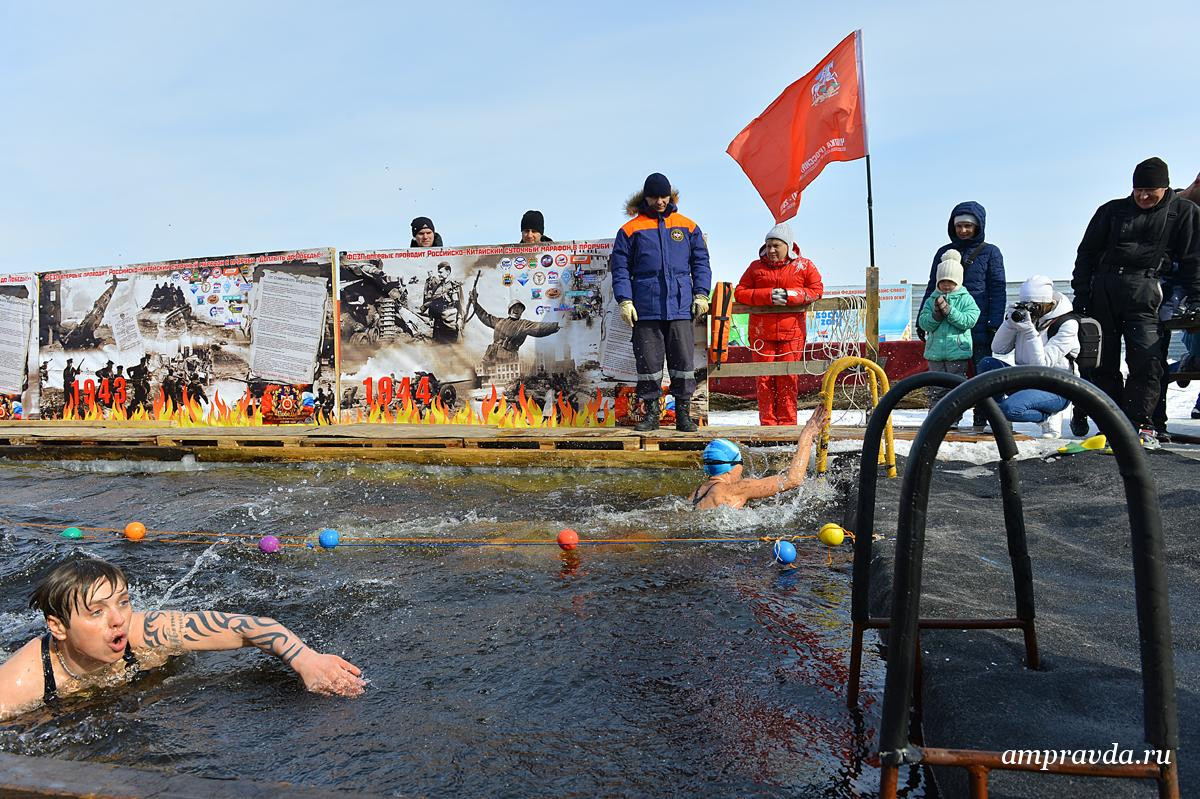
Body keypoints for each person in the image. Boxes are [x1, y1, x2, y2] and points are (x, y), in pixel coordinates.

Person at [0, 556, 364, 721]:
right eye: (96, 612)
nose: (118, 620)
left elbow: (247, 626)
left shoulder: (144, 632)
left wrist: (305, 658)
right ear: (58, 627)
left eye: (123, 602)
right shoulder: (21, 683)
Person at [1071, 157, 1200, 448]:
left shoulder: (1183, 212)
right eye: (1138, 190)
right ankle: (1114, 422)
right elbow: (1086, 254)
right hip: (1104, 289)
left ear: (1165, 188)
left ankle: (1142, 423)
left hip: (1147, 290)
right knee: (1102, 362)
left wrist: (1196, 298)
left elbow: (1193, 260)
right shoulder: (1111, 211)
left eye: (1149, 191)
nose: (1142, 197)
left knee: (1147, 361)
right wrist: (1082, 295)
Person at [610, 172, 712, 433]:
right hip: (646, 309)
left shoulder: (688, 226)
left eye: (664, 197)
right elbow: (620, 269)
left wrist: (701, 293)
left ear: (670, 196)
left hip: (680, 307)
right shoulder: (630, 230)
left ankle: (683, 416)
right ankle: (651, 415)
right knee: (648, 365)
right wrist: (625, 300)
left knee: (683, 364)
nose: (660, 202)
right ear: (646, 198)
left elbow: (701, 263)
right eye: (654, 197)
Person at [919, 202, 1006, 427]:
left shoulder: (991, 252)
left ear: (978, 226)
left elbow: (998, 289)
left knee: (982, 374)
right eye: (959, 226)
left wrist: (995, 322)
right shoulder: (943, 252)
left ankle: (983, 417)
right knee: (947, 377)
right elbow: (932, 287)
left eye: (968, 226)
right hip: (947, 328)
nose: (963, 230)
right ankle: (946, 417)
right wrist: (921, 319)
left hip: (979, 323)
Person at [734, 222, 824, 425]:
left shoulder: (805, 266)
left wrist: (790, 296)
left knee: (788, 377)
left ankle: (788, 424)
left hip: (792, 333)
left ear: (788, 246)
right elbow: (740, 292)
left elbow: (816, 290)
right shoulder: (755, 267)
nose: (771, 250)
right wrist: (767, 296)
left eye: (776, 245)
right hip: (761, 333)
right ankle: (767, 425)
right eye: (768, 246)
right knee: (764, 379)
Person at [977, 275, 1081, 438]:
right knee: (987, 364)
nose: (1029, 310)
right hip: (1027, 380)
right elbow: (998, 348)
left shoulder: (1067, 324)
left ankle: (1046, 417)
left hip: (1057, 388)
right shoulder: (1028, 319)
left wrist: (1029, 331)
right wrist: (1009, 324)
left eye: (1033, 306)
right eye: (1025, 304)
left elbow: (1042, 365)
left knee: (1008, 409)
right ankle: (1001, 421)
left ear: (1047, 303)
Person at [690, 406, 828, 510]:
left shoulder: (696, 493)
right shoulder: (738, 488)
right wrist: (808, 434)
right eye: (741, 462)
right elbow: (793, 479)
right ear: (732, 466)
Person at [918, 250, 981, 406]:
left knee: (956, 387)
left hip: (957, 351)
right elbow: (923, 322)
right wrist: (936, 316)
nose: (946, 285)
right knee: (936, 387)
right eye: (943, 281)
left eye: (950, 281)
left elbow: (969, 320)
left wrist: (950, 312)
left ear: (958, 281)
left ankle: (954, 415)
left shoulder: (966, 299)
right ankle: (935, 414)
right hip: (935, 353)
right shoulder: (931, 299)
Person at [469, 297, 560, 364]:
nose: (516, 309)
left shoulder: (523, 324)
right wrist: (475, 303)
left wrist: (554, 326)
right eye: (514, 307)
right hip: (491, 357)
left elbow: (539, 328)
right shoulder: (499, 321)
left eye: (519, 308)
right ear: (510, 310)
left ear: (521, 312)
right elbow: (484, 316)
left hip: (508, 359)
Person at [421, 261, 464, 344]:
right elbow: (432, 303)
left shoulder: (455, 286)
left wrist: (460, 319)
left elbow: (461, 305)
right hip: (437, 324)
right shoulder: (436, 287)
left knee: (450, 346)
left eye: (440, 272)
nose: (438, 274)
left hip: (450, 322)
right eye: (438, 272)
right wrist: (431, 318)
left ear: (448, 272)